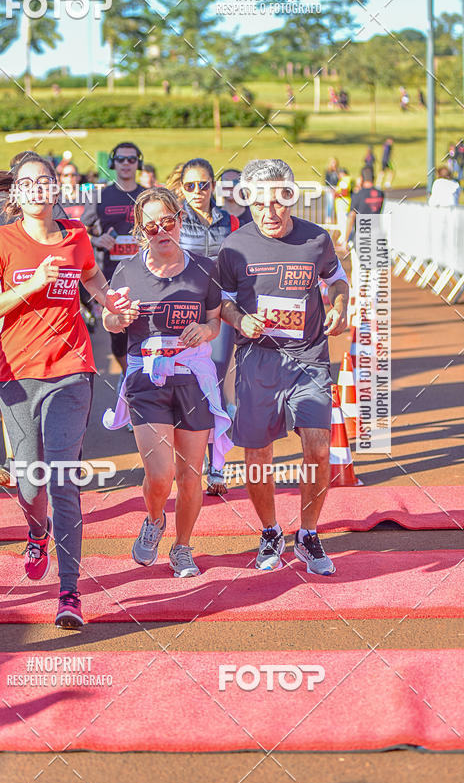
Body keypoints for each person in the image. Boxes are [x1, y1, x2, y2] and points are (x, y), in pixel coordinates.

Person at [0, 151, 131, 629]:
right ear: (16, 195)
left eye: (45, 181)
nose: (39, 189)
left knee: (63, 479)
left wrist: (111, 305)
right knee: (29, 478)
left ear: (54, 189)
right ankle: (36, 531)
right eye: (29, 183)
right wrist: (30, 286)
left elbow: (95, 282)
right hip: (16, 376)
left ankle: (70, 594)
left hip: (71, 370)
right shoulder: (1, 240)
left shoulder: (76, 237)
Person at [218, 159, 349, 576]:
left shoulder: (316, 239)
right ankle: (271, 530)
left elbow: (337, 279)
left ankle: (308, 534)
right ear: (248, 203)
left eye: (279, 201)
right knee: (257, 452)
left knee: (317, 446)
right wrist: (240, 320)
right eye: (259, 203)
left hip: (309, 357)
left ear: (291, 197)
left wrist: (341, 306)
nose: (270, 212)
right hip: (258, 360)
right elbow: (221, 302)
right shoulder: (234, 247)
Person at [102, 187, 231, 578]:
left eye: (168, 222)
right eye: (151, 226)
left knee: (191, 475)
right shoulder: (127, 270)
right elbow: (109, 321)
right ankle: (155, 520)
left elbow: (214, 320)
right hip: (147, 377)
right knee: (160, 474)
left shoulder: (205, 268)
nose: (162, 231)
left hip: (193, 377)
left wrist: (206, 332)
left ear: (179, 220)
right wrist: (118, 320)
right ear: (142, 232)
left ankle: (183, 547)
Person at [178, 158, 238, 495]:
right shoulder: (173, 222)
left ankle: (216, 466)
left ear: (213, 186)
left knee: (214, 381)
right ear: (181, 188)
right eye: (191, 186)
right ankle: (190, 460)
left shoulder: (230, 222)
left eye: (204, 184)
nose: (198, 192)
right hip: (183, 311)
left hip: (221, 311)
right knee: (187, 387)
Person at [81, 141, 145, 377]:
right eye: (120, 159)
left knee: (144, 329)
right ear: (112, 163)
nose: (126, 164)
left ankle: (142, 379)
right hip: (112, 275)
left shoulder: (147, 196)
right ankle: (131, 375)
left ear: (139, 162)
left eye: (131, 159)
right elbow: (78, 233)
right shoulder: (101, 196)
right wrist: (96, 241)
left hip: (147, 273)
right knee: (118, 337)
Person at [346, 167, 385, 245]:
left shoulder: (358, 195)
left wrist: (345, 240)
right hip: (377, 233)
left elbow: (351, 216)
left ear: (361, 178)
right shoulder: (380, 193)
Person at [324, 158, 339, 224]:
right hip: (329, 189)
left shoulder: (338, 172)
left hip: (336, 189)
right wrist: (331, 188)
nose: (334, 164)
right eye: (332, 162)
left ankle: (336, 218)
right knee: (330, 203)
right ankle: (328, 217)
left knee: (337, 204)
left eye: (334, 162)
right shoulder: (328, 172)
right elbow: (326, 181)